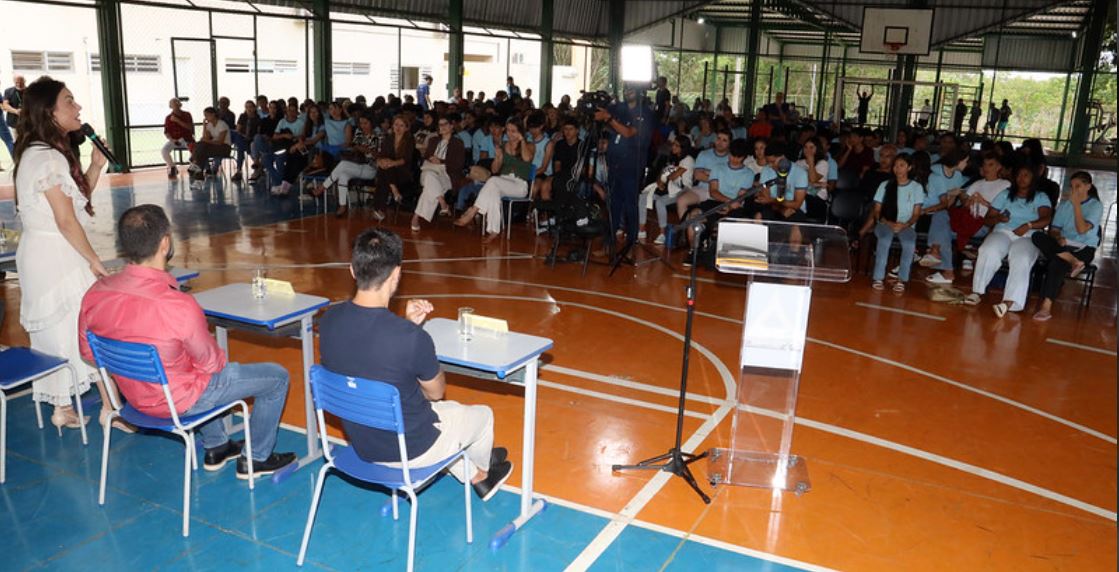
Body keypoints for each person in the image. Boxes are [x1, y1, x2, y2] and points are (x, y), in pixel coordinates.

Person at [79, 205, 297, 477]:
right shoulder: (178, 304)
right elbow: (213, 365)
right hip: (178, 402)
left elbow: (87, 351)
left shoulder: (95, 293)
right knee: (276, 377)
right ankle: (256, 457)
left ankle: (217, 445)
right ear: (165, 243)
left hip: (133, 399)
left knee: (189, 368)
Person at [318, 228, 513, 500]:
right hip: (411, 450)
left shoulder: (328, 320)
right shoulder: (410, 338)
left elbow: (367, 358)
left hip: (364, 444)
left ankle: (469, 465)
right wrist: (412, 332)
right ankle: (483, 474)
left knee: (445, 413)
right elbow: (435, 392)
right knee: (482, 415)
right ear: (396, 274)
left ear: (352, 270)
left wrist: (408, 326)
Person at [11, 76, 124, 432]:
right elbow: (65, 220)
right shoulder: (48, 158)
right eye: (70, 101)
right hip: (59, 253)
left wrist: (96, 165)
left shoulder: (35, 153)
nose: (78, 108)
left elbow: (73, 200)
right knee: (89, 330)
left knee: (55, 332)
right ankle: (111, 409)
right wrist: (93, 260)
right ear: (50, 112)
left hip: (39, 252)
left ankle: (62, 407)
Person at [965, 163, 1052, 316]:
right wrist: (998, 218)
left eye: (1026, 175)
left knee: (1021, 258)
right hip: (1003, 232)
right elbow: (987, 220)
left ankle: (1009, 302)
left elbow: (1046, 219)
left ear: (1033, 178)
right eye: (1019, 175)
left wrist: (1029, 225)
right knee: (987, 250)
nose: (1021, 178)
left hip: (1028, 235)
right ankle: (977, 291)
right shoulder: (1005, 194)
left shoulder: (1040, 197)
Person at [1030, 171, 1103, 321]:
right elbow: (1054, 229)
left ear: (1088, 187)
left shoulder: (1096, 206)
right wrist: (1058, 238)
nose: (1074, 190)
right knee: (1037, 236)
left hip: (1084, 248)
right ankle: (1073, 261)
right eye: (1072, 186)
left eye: (1078, 186)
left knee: (1057, 262)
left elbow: (1081, 229)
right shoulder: (1064, 205)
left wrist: (1076, 205)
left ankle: (1046, 307)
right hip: (1064, 246)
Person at [454, 117, 535, 242]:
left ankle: (473, 211)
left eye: (513, 131)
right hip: (501, 182)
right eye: (508, 130)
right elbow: (495, 169)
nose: (510, 134)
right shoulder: (503, 145)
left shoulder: (529, 145)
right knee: (493, 191)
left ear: (520, 132)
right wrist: (498, 158)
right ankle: (493, 230)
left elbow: (527, 158)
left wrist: (522, 140)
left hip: (519, 185)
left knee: (493, 181)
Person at [597, 84, 654, 250]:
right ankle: (609, 242)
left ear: (638, 91)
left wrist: (609, 118)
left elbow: (628, 132)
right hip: (614, 163)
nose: (628, 91)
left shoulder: (644, 113)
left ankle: (631, 244)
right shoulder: (618, 108)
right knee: (613, 204)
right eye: (625, 89)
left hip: (632, 165)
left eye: (631, 88)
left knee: (630, 205)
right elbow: (605, 122)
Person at [861, 153, 924, 292]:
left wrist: (905, 225)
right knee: (884, 240)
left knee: (909, 244)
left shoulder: (916, 187)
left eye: (902, 165)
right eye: (895, 165)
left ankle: (901, 279)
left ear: (909, 167)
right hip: (885, 223)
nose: (898, 169)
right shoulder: (885, 185)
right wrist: (889, 223)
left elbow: (916, 214)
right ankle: (878, 278)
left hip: (906, 225)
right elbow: (877, 210)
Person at [948, 152, 1010, 271]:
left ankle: (963, 252)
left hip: (986, 222)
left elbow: (1005, 209)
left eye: (990, 165)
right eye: (985, 164)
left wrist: (983, 202)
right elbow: (965, 204)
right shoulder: (977, 183)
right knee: (944, 222)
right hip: (970, 218)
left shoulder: (1005, 185)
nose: (987, 168)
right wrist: (968, 201)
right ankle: (958, 254)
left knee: (949, 231)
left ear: (998, 167)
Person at [920, 149, 969, 285]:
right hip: (926, 210)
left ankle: (936, 251)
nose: (966, 164)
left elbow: (948, 204)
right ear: (958, 160)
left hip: (941, 211)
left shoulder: (958, 176)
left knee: (942, 222)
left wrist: (952, 195)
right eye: (965, 161)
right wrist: (948, 193)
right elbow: (932, 195)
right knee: (942, 222)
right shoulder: (936, 170)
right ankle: (947, 271)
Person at [317, 112, 378, 218]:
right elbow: (355, 147)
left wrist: (361, 148)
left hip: (370, 168)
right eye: (361, 123)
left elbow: (374, 153)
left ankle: (322, 188)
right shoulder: (359, 133)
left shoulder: (377, 135)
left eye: (365, 123)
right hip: (357, 164)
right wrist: (361, 148)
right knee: (343, 175)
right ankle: (342, 206)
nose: (363, 126)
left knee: (343, 164)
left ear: (371, 123)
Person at [412, 114, 466, 231]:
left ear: (451, 126)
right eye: (440, 125)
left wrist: (441, 161)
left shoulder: (458, 143)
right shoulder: (433, 140)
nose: (442, 127)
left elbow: (459, 164)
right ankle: (442, 202)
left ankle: (416, 217)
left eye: (445, 124)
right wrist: (431, 158)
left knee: (429, 186)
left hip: (446, 174)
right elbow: (426, 156)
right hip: (429, 169)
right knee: (429, 176)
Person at [638, 135, 694, 245]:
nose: (673, 147)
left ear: (683, 148)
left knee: (660, 202)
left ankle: (662, 234)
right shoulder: (672, 158)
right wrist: (660, 181)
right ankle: (641, 229)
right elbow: (663, 175)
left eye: (677, 145)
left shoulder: (688, 160)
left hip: (683, 190)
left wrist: (665, 176)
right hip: (670, 188)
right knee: (643, 197)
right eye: (673, 144)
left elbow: (673, 175)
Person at [676, 129, 730, 220]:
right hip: (702, 190)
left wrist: (708, 172)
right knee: (681, 201)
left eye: (724, 140)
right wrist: (718, 178)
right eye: (718, 138)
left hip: (721, 192)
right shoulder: (704, 154)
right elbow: (698, 175)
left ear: (729, 143)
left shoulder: (731, 158)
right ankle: (685, 226)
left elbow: (730, 179)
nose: (720, 142)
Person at [373, 115, 415, 221]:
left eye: (401, 125)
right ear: (392, 126)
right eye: (396, 125)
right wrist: (380, 162)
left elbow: (406, 159)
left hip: (403, 172)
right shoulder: (388, 139)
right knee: (384, 169)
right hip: (389, 171)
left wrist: (392, 163)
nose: (398, 128)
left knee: (384, 171)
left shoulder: (409, 140)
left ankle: (380, 209)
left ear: (406, 128)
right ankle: (394, 190)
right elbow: (381, 155)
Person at [188, 107, 232, 185]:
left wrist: (205, 140)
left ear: (213, 115)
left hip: (224, 147)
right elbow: (205, 138)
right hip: (213, 147)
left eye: (207, 115)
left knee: (201, 148)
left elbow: (220, 142)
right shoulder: (209, 125)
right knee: (202, 148)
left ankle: (194, 163)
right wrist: (204, 126)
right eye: (204, 115)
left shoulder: (222, 124)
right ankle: (199, 172)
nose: (205, 117)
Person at [161, 98, 194, 179]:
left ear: (180, 104)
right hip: (174, 139)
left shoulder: (187, 114)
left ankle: (192, 168)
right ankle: (173, 168)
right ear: (170, 106)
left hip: (187, 139)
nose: (176, 104)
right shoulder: (168, 117)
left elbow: (190, 128)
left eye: (177, 102)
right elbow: (166, 132)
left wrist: (177, 120)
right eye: (173, 103)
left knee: (194, 149)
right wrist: (172, 140)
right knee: (164, 150)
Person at [231, 100, 259, 183]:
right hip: (241, 137)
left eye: (250, 107)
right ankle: (255, 164)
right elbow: (238, 130)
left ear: (254, 108)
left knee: (241, 148)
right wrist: (244, 135)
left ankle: (239, 171)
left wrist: (249, 137)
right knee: (238, 139)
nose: (249, 109)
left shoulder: (257, 118)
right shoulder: (243, 116)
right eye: (247, 107)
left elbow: (258, 132)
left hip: (251, 139)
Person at [3, 75, 25, 139]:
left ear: (24, 81)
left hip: (27, 122)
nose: (19, 84)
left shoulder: (30, 91)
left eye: (21, 82)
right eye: (17, 82)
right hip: (14, 122)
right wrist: (15, 111)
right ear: (13, 81)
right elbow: (5, 105)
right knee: (16, 141)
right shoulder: (8, 91)